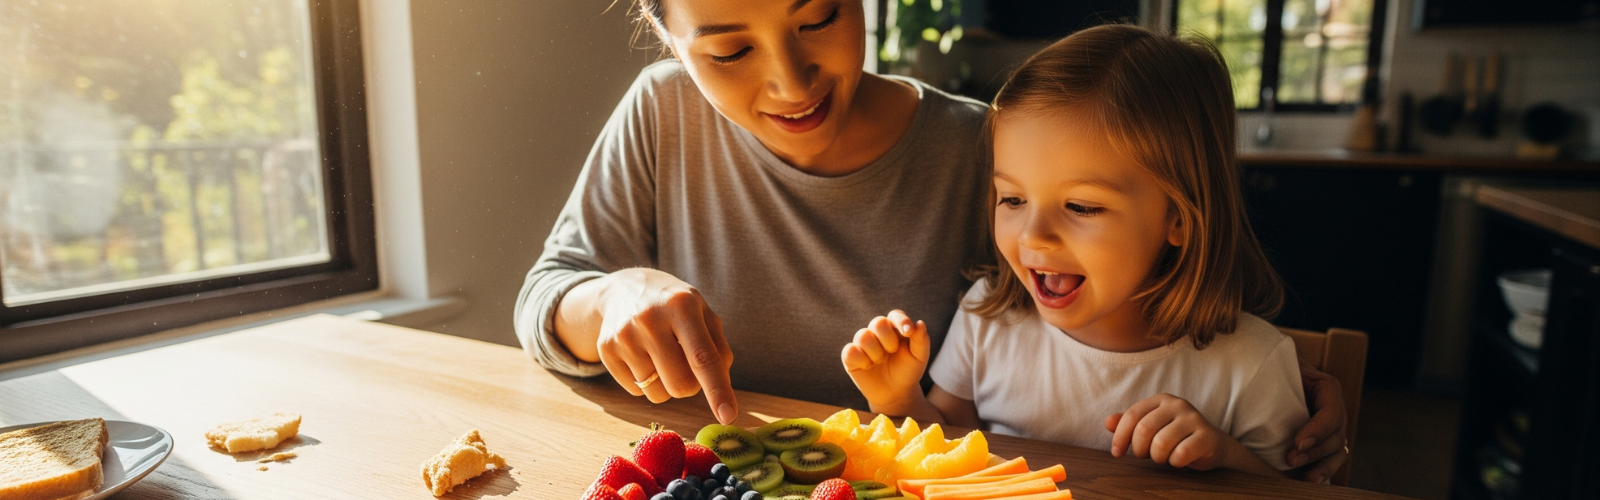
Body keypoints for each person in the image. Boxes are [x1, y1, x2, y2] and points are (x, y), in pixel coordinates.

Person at [514, 0, 1351, 482]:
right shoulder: (661, 115)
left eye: (820, 17)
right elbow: (550, 291)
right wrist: (605, 296)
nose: (790, 80)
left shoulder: (983, 150)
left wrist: (1286, 384)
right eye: (729, 49)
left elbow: (1125, 296)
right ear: (668, 39)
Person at [841, 24, 1317, 477]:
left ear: (1179, 217)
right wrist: (899, 399)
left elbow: (1302, 491)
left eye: (1081, 206)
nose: (1033, 237)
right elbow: (945, 444)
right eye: (1012, 199)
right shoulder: (987, 316)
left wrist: (1225, 456)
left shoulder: (1254, 364)